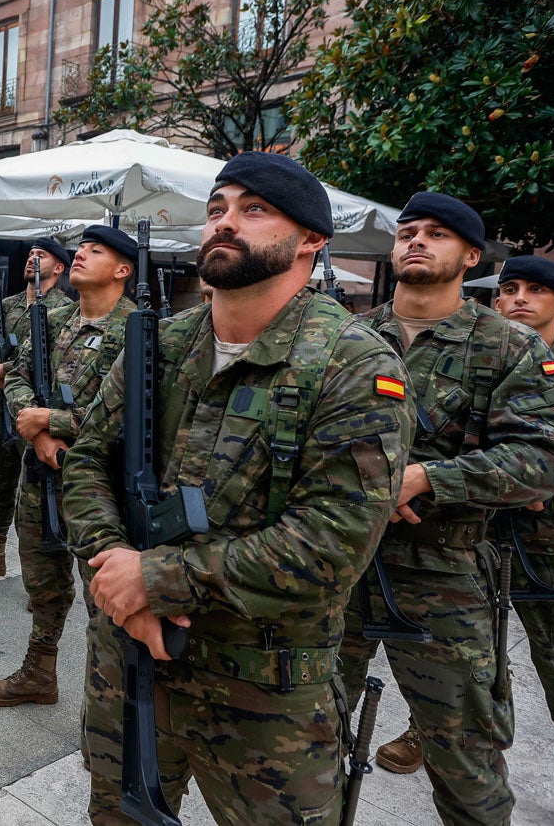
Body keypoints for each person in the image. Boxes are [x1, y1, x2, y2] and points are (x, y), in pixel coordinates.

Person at [64, 151, 417, 825]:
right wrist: (116, 569)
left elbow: (331, 544)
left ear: (311, 239)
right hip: (130, 663)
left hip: (266, 702)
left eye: (254, 210)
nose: (225, 223)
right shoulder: (158, 344)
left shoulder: (353, 365)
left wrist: (158, 580)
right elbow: (86, 462)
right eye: (216, 208)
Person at [339, 193, 554, 826]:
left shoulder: (509, 347)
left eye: (436, 234)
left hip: (445, 574)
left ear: (470, 257)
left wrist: (426, 479)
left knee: (466, 759)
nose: (416, 240)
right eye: (408, 231)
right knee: (307, 738)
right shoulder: (347, 338)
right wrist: (365, 487)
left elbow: (546, 459)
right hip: (335, 559)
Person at [0, 225, 137, 708]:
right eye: (81, 249)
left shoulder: (139, 330)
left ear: (123, 270)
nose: (82, 256)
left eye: (96, 251)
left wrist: (57, 419)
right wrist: (39, 430)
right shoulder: (55, 321)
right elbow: (19, 376)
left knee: (105, 598)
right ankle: (39, 672)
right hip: (41, 474)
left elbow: (134, 411)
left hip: (101, 487)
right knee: (43, 580)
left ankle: (109, 708)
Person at [489, 255, 554, 823]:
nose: (519, 299)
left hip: (552, 538)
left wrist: (546, 481)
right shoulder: (486, 355)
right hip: (479, 531)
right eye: (509, 290)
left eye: (535, 290)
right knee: (473, 649)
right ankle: (423, 731)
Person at [0, 239, 74, 577]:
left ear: (59, 267)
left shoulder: (64, 311)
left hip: (36, 413)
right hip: (0, 409)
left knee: (38, 493)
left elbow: (54, 364)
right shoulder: (7, 305)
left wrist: (4, 371)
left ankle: (43, 576)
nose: (32, 260)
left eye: (42, 256)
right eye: (31, 254)